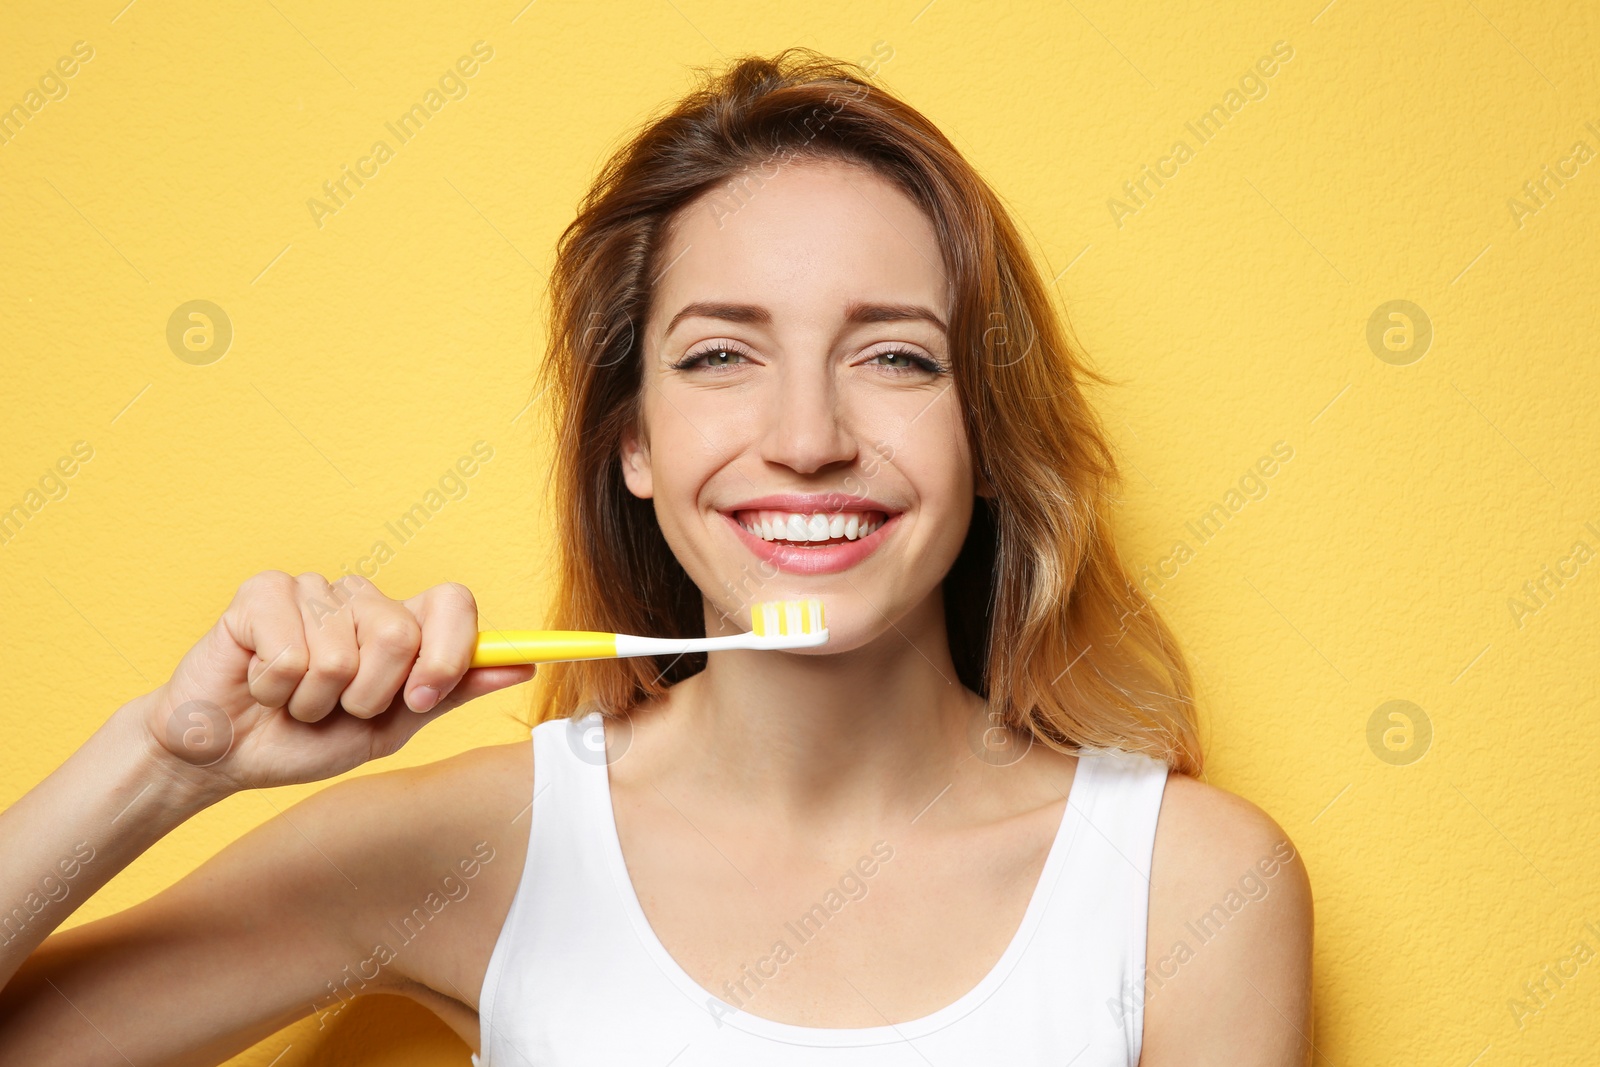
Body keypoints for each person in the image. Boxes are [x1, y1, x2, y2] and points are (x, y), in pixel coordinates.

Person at [0, 48, 1312, 1065]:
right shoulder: (482, 846)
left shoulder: (1185, 885)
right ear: (632, 441)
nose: (807, 437)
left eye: (897, 355)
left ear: (983, 433)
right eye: (720, 356)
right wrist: (163, 765)